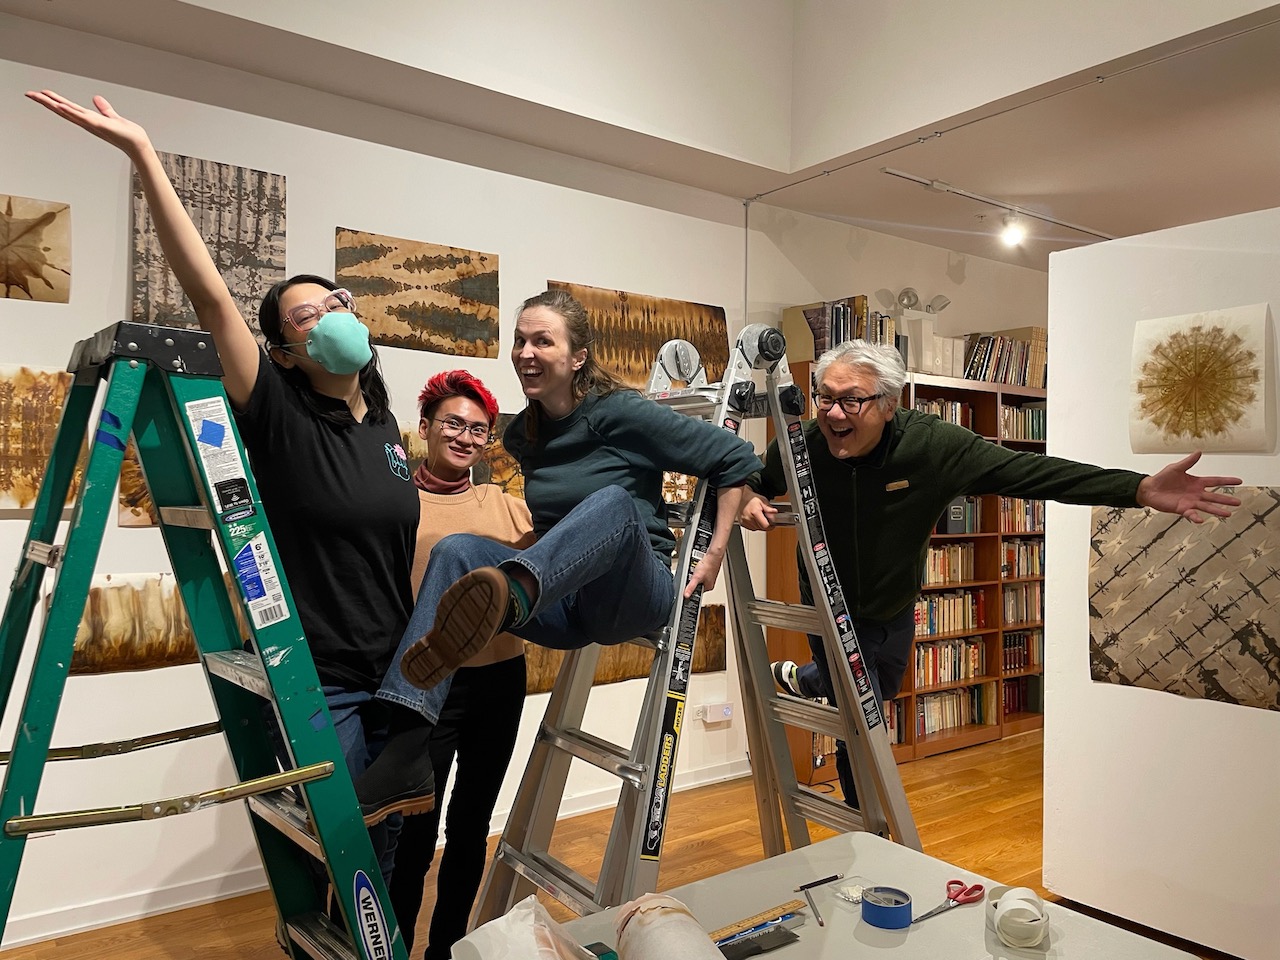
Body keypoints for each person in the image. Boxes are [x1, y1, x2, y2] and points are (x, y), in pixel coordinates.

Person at [27, 90, 427, 882]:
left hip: (403, 679)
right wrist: (144, 155)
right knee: (347, 863)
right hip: (326, 681)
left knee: (398, 853)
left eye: (333, 303)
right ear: (281, 350)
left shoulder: (386, 429)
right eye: (303, 317)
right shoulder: (279, 412)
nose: (327, 319)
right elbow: (211, 293)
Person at [742, 339, 1242, 807]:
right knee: (861, 718)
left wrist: (1137, 490)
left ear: (890, 403)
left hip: (894, 603)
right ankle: (870, 831)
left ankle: (807, 680)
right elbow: (752, 481)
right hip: (829, 610)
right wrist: (750, 497)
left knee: (883, 688)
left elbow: (1033, 473)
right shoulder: (801, 443)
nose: (831, 413)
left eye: (850, 401)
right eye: (824, 398)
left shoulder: (934, 446)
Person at [356, 288, 764, 809]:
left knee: (612, 501)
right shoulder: (525, 435)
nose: (526, 352)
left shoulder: (618, 413)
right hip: (565, 602)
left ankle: (515, 592)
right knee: (457, 549)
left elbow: (733, 457)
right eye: (520, 340)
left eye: (542, 341)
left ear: (578, 357)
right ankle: (405, 752)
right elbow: (551, 524)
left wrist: (715, 553)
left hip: (634, 598)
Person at [390, 370, 534, 960]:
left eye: (479, 429)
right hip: (425, 685)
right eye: (453, 423)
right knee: (415, 831)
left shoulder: (507, 506)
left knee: (471, 825)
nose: (465, 437)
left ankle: (445, 948)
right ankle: (393, 947)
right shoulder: (395, 505)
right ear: (423, 428)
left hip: (498, 681)